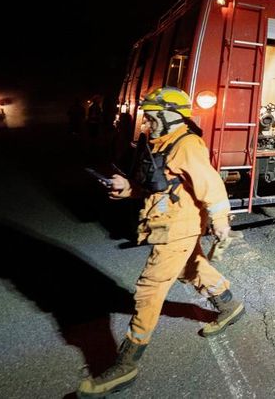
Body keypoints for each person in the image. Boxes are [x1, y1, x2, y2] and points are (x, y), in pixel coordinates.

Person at [77, 86, 244, 397]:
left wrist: (221, 222)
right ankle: (230, 306)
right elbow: (159, 186)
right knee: (190, 269)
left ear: (170, 115)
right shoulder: (162, 143)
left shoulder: (186, 145)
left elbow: (211, 185)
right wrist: (126, 187)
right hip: (170, 223)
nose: (147, 122)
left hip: (179, 227)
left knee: (149, 290)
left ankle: (126, 364)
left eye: (153, 117)